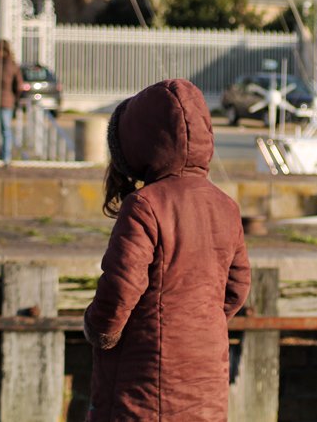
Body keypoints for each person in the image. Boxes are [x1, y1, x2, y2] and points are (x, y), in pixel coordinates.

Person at [83, 79, 251, 421]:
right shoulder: (226, 206)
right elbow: (237, 288)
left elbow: (121, 288)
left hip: (146, 377)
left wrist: (100, 330)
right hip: (206, 372)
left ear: (139, 146)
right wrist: (200, 321)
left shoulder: (145, 205)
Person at [0, 39, 23, 164]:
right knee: (6, 130)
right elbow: (19, 85)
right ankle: (6, 157)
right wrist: (16, 99)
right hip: (7, 101)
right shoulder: (12, 64)